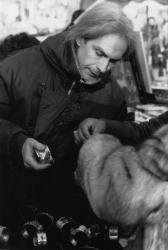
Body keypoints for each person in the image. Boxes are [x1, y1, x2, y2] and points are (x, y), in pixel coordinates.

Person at [0, 1, 136, 227]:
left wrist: (101, 144)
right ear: (80, 37)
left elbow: (121, 156)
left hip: (68, 216)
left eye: (112, 61)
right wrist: (18, 142)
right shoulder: (18, 68)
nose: (102, 68)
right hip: (7, 205)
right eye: (99, 53)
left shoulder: (113, 96)